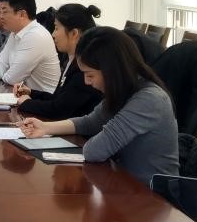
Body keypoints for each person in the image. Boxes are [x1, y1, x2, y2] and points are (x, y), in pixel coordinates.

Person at [19, 26, 179, 185]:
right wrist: (45, 127)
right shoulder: (125, 91)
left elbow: (95, 151)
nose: (86, 82)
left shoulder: (149, 100)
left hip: (150, 194)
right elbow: (90, 122)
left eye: (90, 75)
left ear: (112, 70)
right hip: (123, 183)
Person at [15, 3, 103, 120]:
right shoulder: (71, 60)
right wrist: (31, 93)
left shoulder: (85, 67)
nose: (53, 34)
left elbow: (59, 110)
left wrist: (27, 103)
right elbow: (59, 99)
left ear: (74, 33)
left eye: (56, 28)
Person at [0, 0, 61, 91]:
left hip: (42, 98)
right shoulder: (15, 32)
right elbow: (2, 61)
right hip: (21, 94)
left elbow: (12, 78)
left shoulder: (35, 36)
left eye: (4, 12)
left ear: (21, 14)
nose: (1, 17)